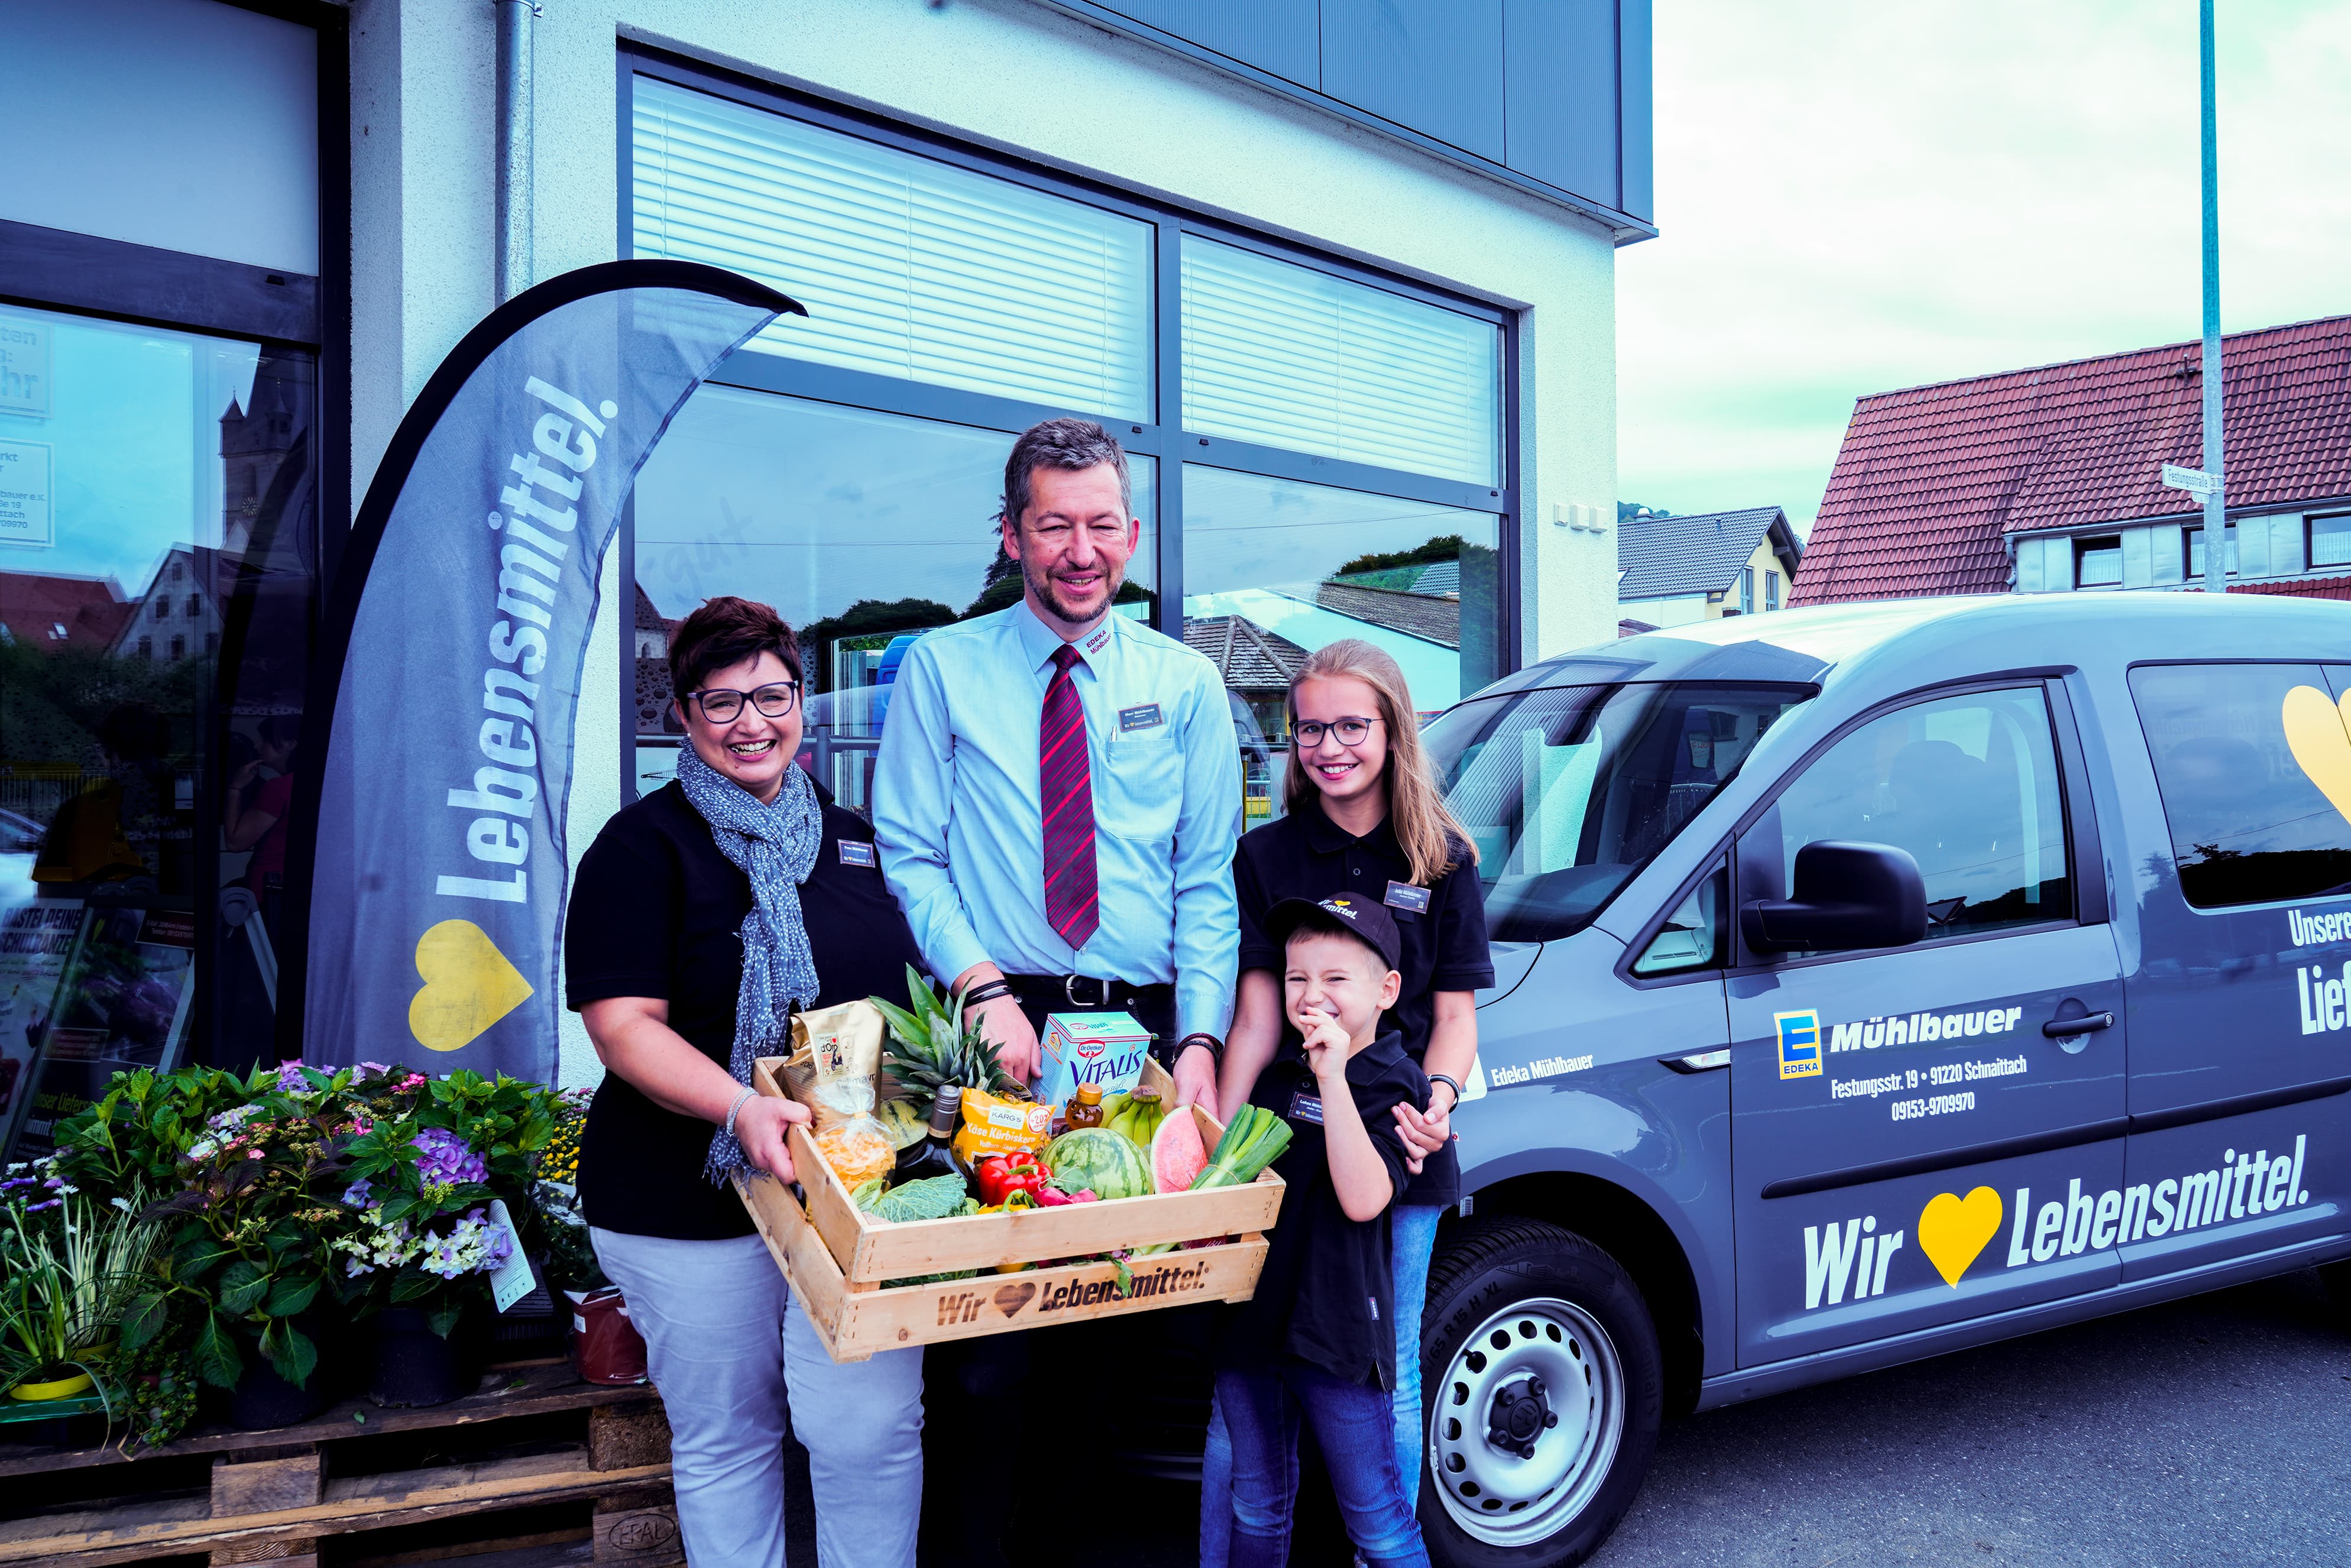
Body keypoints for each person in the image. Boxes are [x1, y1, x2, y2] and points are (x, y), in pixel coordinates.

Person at [871, 416, 1241, 1564]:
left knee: (1103, 1352)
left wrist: (1197, 1048)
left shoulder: (1184, 685)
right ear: (1010, 533)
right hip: (993, 1033)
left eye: (1098, 526)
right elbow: (908, 851)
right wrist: (980, 991)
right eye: (1052, 526)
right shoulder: (940, 668)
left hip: (1131, 1040)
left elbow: (1206, 882)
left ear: (1129, 533)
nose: (1079, 551)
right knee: (981, 1355)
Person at [565, 597, 926, 1568]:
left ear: (802, 700)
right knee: (728, 1433)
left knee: (870, 1427)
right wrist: (741, 1104)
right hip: (684, 1191)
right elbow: (622, 1025)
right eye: (720, 702)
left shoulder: (856, 839)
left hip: (847, 1190)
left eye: (771, 694)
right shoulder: (641, 847)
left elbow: (903, 1006)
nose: (751, 722)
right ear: (683, 715)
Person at [1184, 639, 1491, 1564]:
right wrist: (1214, 1149)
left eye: (1351, 725)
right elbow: (1253, 1023)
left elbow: (1455, 1019)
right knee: (1241, 1387)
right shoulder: (1266, 855)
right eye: (1309, 727)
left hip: (1396, 1143)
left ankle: (1378, 1548)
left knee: (1383, 1379)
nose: (1329, 746)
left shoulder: (1443, 858)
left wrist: (1439, 1098)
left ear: (1394, 731)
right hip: (1283, 1145)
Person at [1213, 894, 1432, 1568]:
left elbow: (1365, 1198)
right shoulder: (1276, 1076)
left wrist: (1333, 1075)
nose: (1313, 996)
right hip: (1251, 1327)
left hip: (1335, 1337)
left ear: (1386, 990)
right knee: (1256, 1504)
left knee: (1379, 1524)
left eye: (1336, 979)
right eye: (1297, 978)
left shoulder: (1399, 1087)